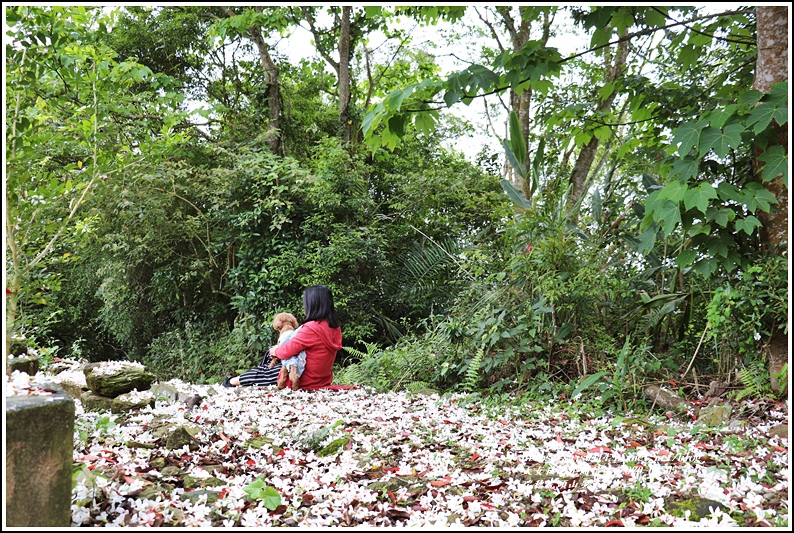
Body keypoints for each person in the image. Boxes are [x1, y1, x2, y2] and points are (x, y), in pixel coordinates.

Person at [222, 285, 342, 390]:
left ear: (312, 304)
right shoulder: (334, 327)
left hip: (303, 377)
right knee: (270, 358)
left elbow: (286, 351)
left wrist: (276, 350)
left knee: (269, 367)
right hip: (320, 378)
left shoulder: (312, 329)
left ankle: (232, 382)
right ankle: (242, 378)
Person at [267, 312, 307, 390]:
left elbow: (281, 349)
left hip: (285, 353)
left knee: (284, 366)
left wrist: (274, 359)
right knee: (292, 366)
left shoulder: (283, 334)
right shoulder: (294, 332)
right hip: (296, 355)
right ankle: (294, 385)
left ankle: (281, 384)